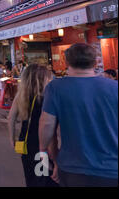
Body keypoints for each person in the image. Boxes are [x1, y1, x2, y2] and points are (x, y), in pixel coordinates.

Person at [39, 43, 118, 187]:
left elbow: (47, 125)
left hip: (73, 169)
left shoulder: (56, 88)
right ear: (95, 62)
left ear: (66, 62)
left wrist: (44, 152)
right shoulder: (115, 87)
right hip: (112, 170)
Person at [7, 64, 58, 187]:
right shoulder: (47, 97)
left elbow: (11, 117)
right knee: (45, 178)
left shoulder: (21, 95)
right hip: (42, 144)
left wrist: (12, 138)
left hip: (25, 141)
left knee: (31, 176)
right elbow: (48, 125)